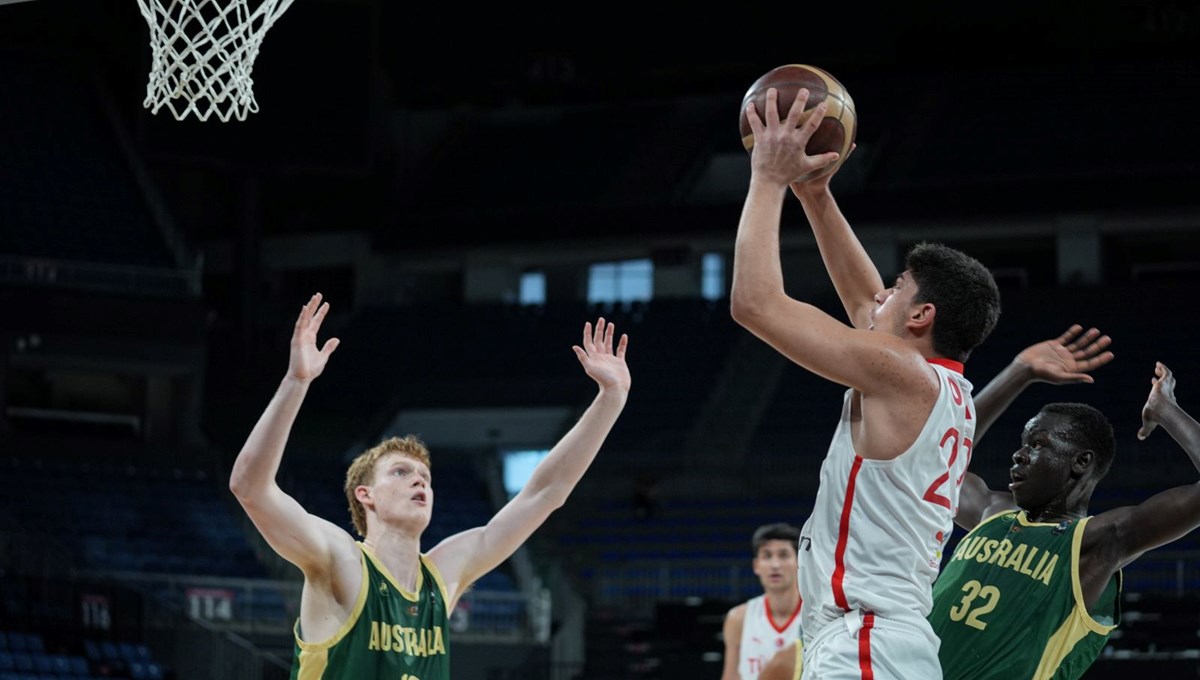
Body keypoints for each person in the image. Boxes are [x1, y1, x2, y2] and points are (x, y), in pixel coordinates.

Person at [732, 87, 1002, 678]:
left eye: (896, 288)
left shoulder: (903, 374)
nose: (880, 292)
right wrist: (816, 194)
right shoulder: (939, 385)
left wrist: (769, 179)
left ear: (921, 317)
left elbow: (754, 304)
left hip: (866, 638)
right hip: (880, 638)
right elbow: (863, 306)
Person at [228, 293, 631, 679]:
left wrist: (611, 399)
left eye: (425, 477)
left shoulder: (442, 577)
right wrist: (297, 381)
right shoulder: (343, 563)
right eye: (401, 472)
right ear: (364, 496)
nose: (419, 479)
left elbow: (545, 493)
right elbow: (249, 486)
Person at [931, 331, 1200, 679]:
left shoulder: (1094, 544)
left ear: (1081, 462)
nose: (1019, 454)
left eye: (1037, 444)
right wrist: (1020, 370)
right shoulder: (991, 511)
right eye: (1022, 443)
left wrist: (1167, 411)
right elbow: (934, 460)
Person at [720, 522, 804, 680]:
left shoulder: (817, 616)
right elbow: (730, 676)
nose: (775, 565)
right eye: (767, 556)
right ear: (756, 566)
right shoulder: (738, 618)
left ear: (799, 562)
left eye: (784, 555)